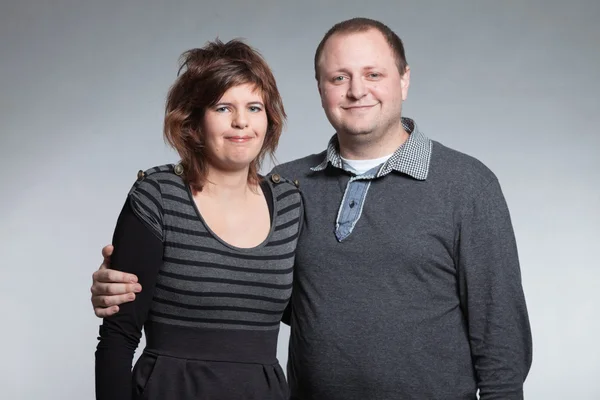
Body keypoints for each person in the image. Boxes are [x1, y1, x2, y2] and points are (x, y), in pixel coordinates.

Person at [91, 18, 533, 400]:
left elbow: (501, 337)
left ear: (404, 79)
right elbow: (252, 289)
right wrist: (126, 283)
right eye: (339, 77)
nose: (357, 90)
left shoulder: (466, 185)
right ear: (320, 88)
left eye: (373, 74)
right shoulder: (289, 187)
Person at [94, 38, 303, 400]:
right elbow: (118, 338)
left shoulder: (289, 203)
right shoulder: (158, 196)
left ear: (269, 120)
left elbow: (309, 311)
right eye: (223, 108)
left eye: (254, 107)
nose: (241, 122)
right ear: (193, 122)